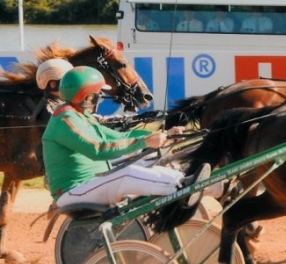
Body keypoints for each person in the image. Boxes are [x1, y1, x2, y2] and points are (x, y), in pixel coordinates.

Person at [42, 66, 210, 209]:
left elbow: (122, 136)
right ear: (86, 97)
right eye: (97, 94)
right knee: (126, 174)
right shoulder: (65, 119)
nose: (99, 98)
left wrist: (163, 135)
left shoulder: (81, 115)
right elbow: (98, 149)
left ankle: (197, 184)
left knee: (147, 161)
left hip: (91, 182)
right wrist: (145, 142)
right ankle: (182, 187)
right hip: (72, 191)